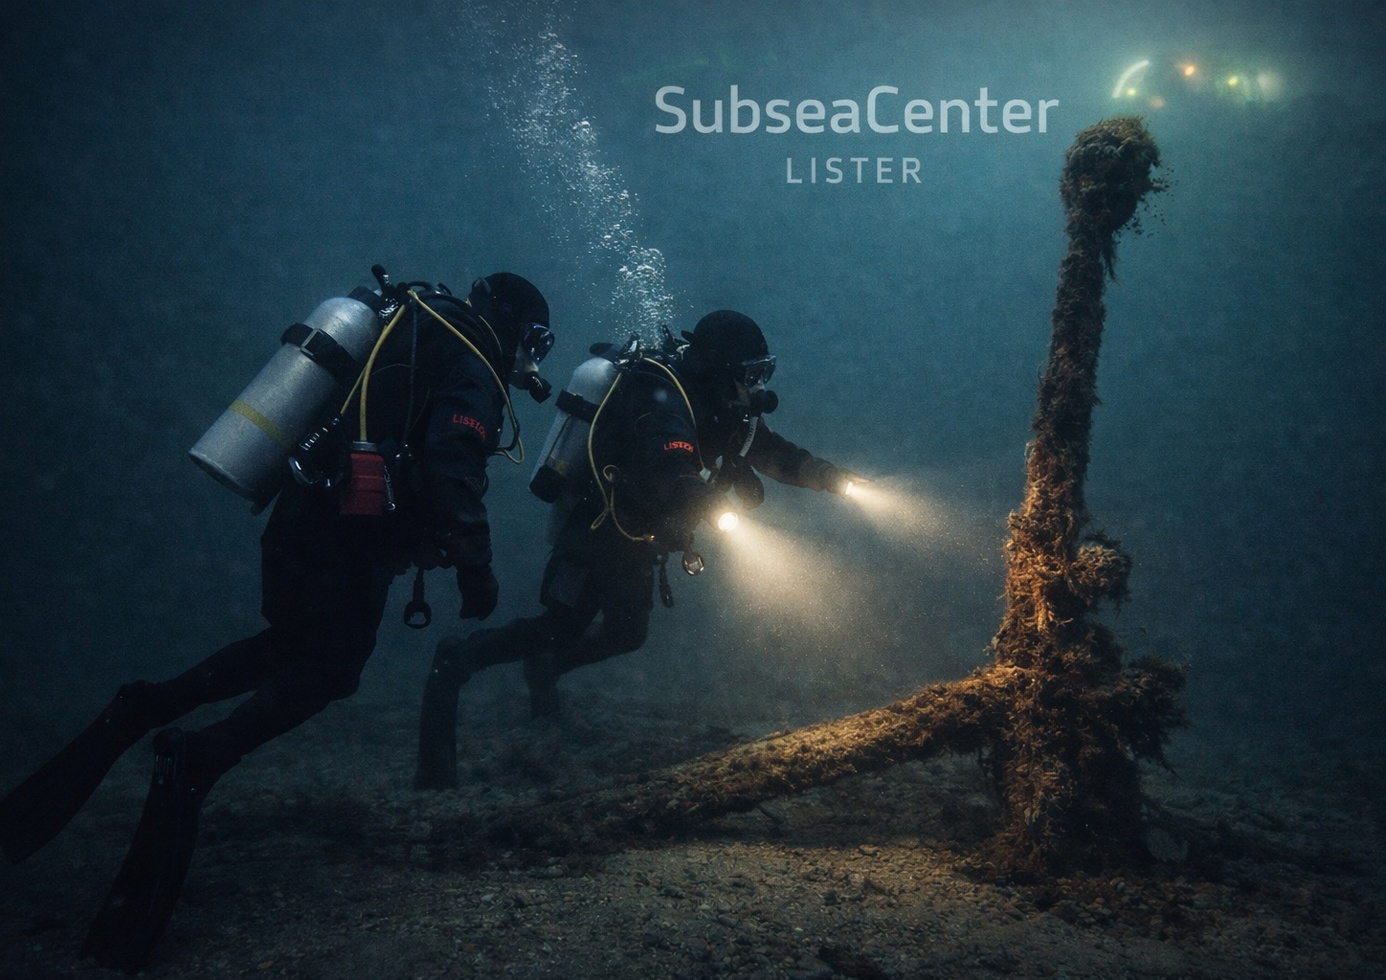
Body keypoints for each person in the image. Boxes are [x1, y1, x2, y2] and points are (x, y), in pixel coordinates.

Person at [0, 269, 553, 973]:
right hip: (347, 542)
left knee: (289, 645)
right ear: (512, 326)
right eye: (535, 339)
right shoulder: (469, 358)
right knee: (329, 670)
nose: (532, 357)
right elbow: (450, 455)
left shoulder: (412, 328)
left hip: (298, 518)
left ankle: (143, 708)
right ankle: (197, 759)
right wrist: (475, 563)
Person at [414, 309, 861, 790]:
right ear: (719, 367)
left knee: (627, 635)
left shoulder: (723, 411)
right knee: (559, 626)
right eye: (751, 374)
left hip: (636, 542)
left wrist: (835, 480)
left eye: (764, 372)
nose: (758, 387)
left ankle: (544, 670)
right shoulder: (659, 397)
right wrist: (710, 503)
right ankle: (456, 659)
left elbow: (777, 455)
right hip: (594, 532)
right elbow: (671, 468)